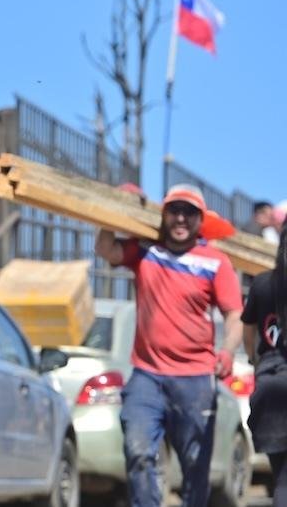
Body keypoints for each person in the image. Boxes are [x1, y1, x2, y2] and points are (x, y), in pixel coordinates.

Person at [96, 184, 243, 507]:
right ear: (163, 214)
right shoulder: (146, 250)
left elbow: (234, 314)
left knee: (195, 465)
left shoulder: (215, 262)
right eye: (174, 210)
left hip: (195, 381)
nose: (180, 218)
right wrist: (111, 206)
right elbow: (107, 249)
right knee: (138, 452)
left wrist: (228, 350)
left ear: (199, 220)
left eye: (189, 213)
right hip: (147, 376)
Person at [243, 225, 287, 506]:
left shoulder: (261, 284)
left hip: (270, 391)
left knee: (282, 477)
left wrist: (257, 362)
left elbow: (248, 336)